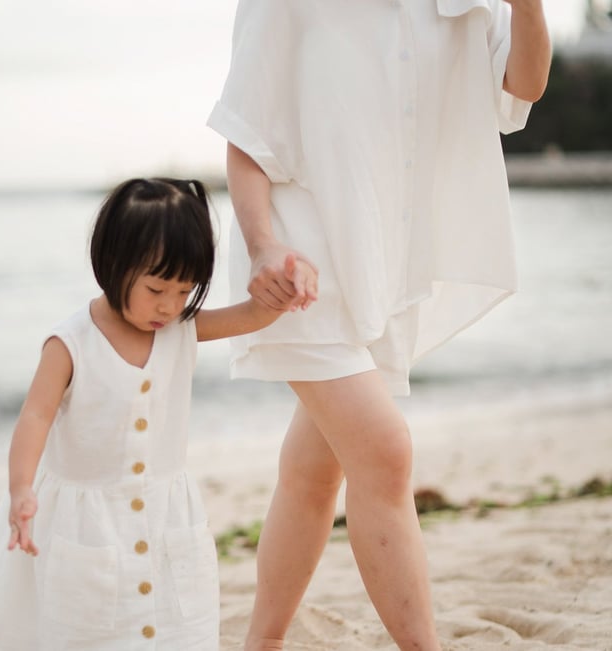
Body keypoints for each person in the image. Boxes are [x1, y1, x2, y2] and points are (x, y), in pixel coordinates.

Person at [207, 1, 551, 650]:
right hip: (304, 259)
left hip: (390, 266)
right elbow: (247, 132)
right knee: (385, 452)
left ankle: (261, 641)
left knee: (313, 474)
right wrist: (262, 247)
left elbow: (524, 87)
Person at [0, 177, 316, 650]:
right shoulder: (70, 343)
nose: (170, 306)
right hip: (84, 522)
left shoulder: (181, 329)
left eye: (185, 292)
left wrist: (289, 282)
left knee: (173, 624)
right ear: (112, 265)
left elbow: (251, 316)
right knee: (87, 628)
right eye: (157, 289)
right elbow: (35, 418)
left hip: (165, 516)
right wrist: (21, 487)